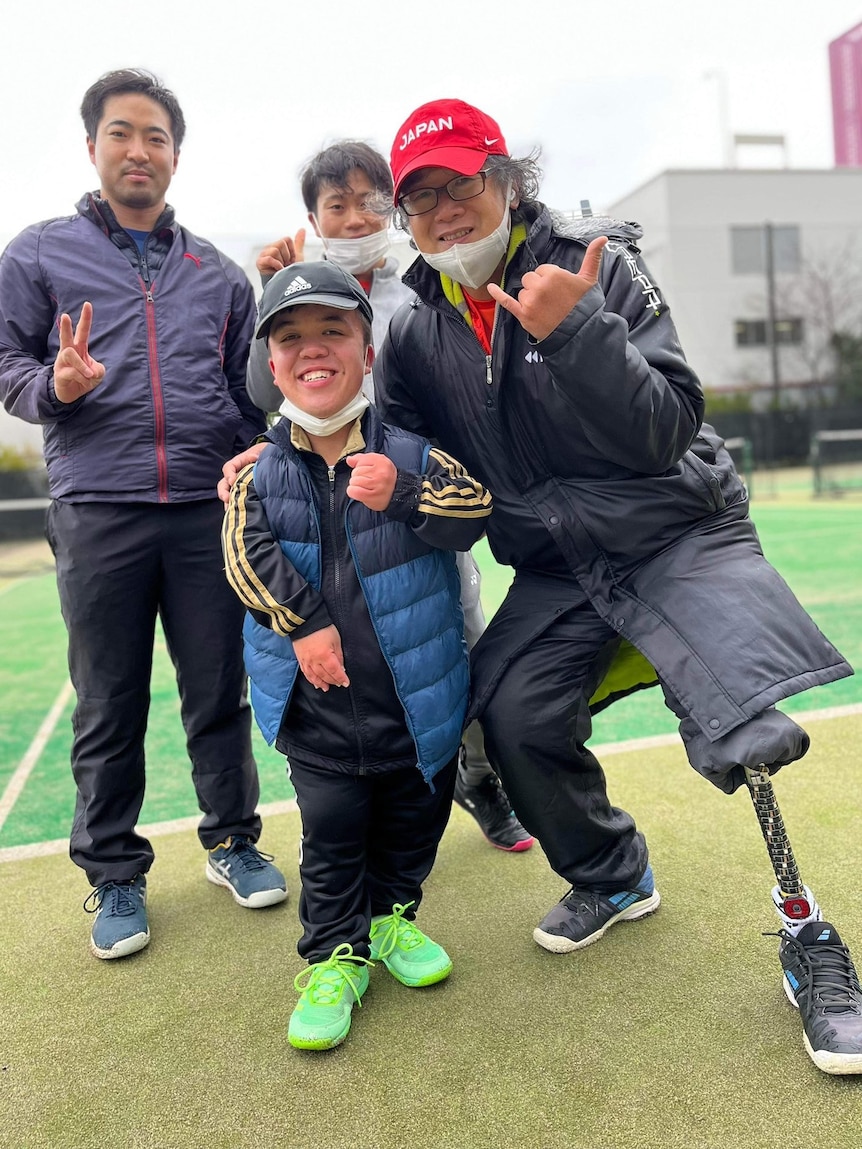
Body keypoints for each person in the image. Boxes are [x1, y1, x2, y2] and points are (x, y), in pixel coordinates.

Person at [367, 98, 859, 1075]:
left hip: (674, 530)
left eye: (461, 184)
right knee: (509, 720)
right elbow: (396, 449)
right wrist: (311, 457)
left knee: (741, 723)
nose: (446, 212)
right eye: (421, 200)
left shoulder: (594, 265)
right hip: (555, 565)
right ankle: (613, 872)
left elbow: (667, 427)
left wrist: (578, 330)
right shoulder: (415, 334)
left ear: (506, 181)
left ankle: (812, 944)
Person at [0, 68, 286, 962]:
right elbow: (6, 363)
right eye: (122, 133)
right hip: (99, 507)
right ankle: (115, 873)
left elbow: (252, 388)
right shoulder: (38, 253)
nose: (139, 150)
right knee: (109, 699)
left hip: (206, 509)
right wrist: (56, 383)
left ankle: (233, 840)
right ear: (93, 147)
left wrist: (250, 447)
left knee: (217, 690)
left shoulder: (218, 273)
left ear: (174, 156)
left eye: (156, 137)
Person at [221, 260, 492, 1050]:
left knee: (415, 825)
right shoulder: (257, 471)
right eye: (292, 339)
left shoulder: (409, 451)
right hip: (319, 712)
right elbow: (242, 554)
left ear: (365, 348)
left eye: (333, 331)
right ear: (272, 365)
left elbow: (472, 509)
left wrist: (404, 493)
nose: (314, 350)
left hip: (418, 703)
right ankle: (335, 954)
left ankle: (392, 920)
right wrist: (302, 622)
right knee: (333, 835)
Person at [243, 139, 532, 854]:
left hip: (410, 500)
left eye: (369, 201)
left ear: (392, 207)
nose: (351, 218)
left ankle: (477, 778)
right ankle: (353, 806)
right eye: (333, 205)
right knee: (335, 652)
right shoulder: (295, 287)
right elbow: (260, 392)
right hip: (324, 502)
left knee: (453, 642)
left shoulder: (424, 281)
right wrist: (270, 294)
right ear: (312, 215)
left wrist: (420, 482)